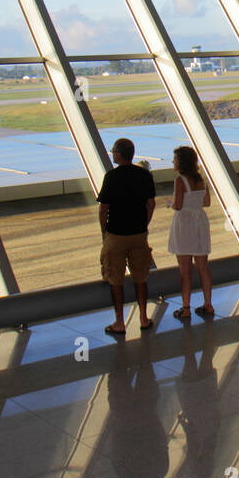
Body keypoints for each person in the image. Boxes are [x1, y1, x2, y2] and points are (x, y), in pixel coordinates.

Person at [98, 137, 156, 336]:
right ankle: (143, 318)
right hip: (139, 234)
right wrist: (144, 223)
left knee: (116, 279)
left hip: (117, 234)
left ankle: (120, 322)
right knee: (141, 277)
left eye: (113, 150)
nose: (112, 153)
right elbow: (151, 204)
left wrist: (104, 231)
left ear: (119, 154)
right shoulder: (144, 175)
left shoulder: (111, 177)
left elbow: (103, 208)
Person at [168, 145, 213, 320]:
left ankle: (186, 308)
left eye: (175, 159)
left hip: (185, 223)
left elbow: (178, 205)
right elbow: (207, 202)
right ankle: (208, 304)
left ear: (181, 162)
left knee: (185, 270)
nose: (173, 161)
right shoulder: (200, 179)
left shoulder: (180, 180)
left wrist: (169, 203)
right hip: (200, 221)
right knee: (203, 267)